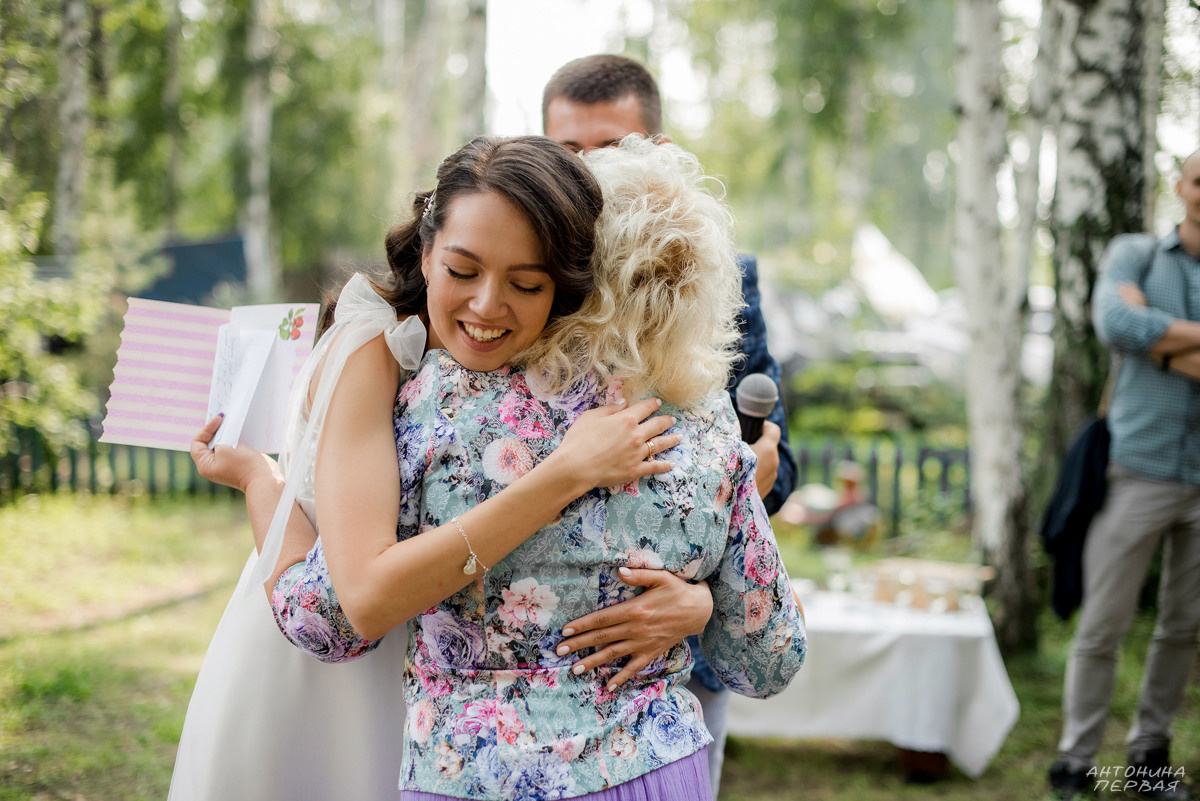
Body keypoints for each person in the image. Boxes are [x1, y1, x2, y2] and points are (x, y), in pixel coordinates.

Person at [249, 135, 806, 800]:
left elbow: (329, 619)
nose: (489, 303)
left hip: (475, 777)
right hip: (656, 771)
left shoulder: (436, 404)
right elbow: (770, 659)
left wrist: (258, 483)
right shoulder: (713, 422)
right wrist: (701, 603)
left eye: (525, 279)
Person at [541, 54, 798, 795]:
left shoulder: (710, 267)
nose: (588, 173)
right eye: (568, 153)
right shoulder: (516, 271)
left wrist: (703, 600)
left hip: (679, 664)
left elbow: (768, 458)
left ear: (657, 151)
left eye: (608, 149)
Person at [1048, 149, 1200, 801]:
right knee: (1103, 622)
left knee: (1184, 625)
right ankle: (1076, 759)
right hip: (1138, 468)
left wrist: (1161, 341)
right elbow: (1115, 321)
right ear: (1181, 186)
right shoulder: (1136, 254)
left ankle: (1148, 757)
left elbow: (1140, 330)